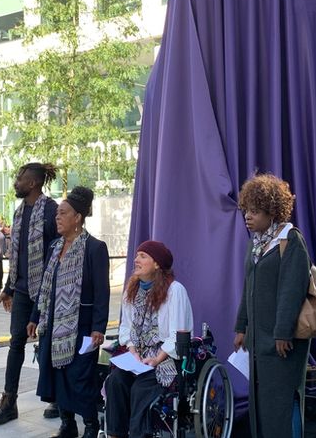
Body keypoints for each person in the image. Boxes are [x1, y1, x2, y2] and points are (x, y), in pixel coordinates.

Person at [233, 173, 311, 438]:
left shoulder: (290, 240)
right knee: (263, 405)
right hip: (259, 340)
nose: (248, 217)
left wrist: (282, 333)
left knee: (281, 403)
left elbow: (293, 290)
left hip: (281, 342)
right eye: (246, 211)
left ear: (272, 211)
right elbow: (248, 287)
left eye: (255, 211)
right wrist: (241, 327)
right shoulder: (256, 244)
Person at [27, 186, 109, 438]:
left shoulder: (94, 248)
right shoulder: (54, 247)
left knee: (80, 379)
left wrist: (98, 327)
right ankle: (67, 425)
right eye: (57, 214)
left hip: (81, 326)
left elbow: (101, 292)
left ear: (78, 218)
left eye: (63, 213)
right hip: (54, 324)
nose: (57, 217)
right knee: (57, 376)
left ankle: (91, 426)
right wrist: (34, 317)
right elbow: (45, 286)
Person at [0, 162, 61, 425]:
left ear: (32, 183)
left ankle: (56, 396)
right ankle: (9, 401)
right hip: (21, 290)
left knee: (50, 344)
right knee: (16, 343)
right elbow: (16, 255)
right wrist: (8, 288)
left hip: (48, 291)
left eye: (20, 179)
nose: (16, 182)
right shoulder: (19, 212)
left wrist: (48, 290)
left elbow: (56, 254)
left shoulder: (51, 210)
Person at [106, 240, 193, 438]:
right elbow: (126, 327)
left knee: (141, 387)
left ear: (157, 264)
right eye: (136, 255)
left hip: (165, 358)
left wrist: (156, 359)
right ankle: (115, 434)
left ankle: (138, 434)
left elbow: (177, 334)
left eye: (143, 256)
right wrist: (133, 351)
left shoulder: (175, 291)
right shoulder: (132, 290)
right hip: (138, 356)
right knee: (115, 381)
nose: (136, 260)